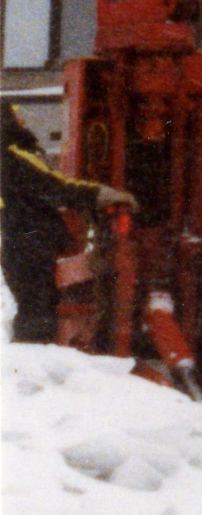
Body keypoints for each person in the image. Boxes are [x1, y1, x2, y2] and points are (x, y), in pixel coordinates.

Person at [2, 102, 131, 346]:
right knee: (37, 310)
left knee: (37, 306)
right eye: (17, 115)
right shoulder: (12, 157)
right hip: (28, 244)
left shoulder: (16, 155)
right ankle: (31, 366)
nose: (23, 120)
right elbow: (54, 189)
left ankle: (33, 360)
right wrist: (99, 194)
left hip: (22, 243)